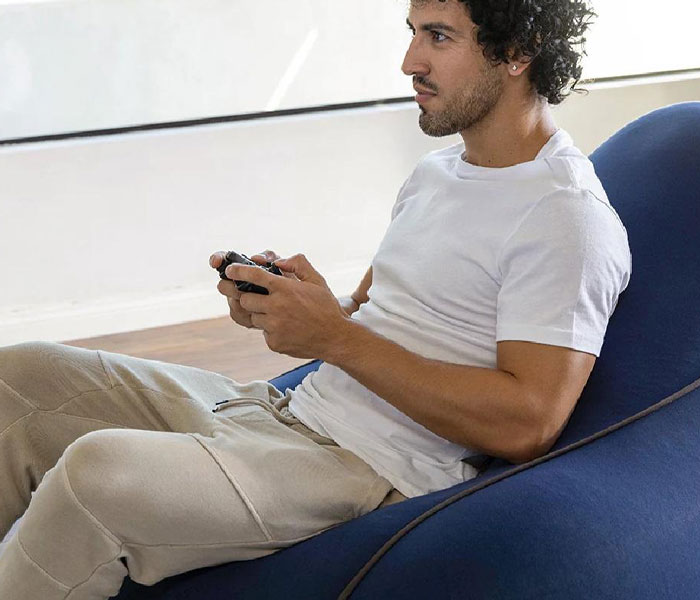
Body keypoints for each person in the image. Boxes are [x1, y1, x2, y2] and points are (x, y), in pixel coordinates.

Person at [0, 0, 631, 597]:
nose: (410, 61)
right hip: (287, 412)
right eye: (412, 32)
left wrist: (333, 335)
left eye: (438, 36)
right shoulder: (436, 175)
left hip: (366, 469)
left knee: (96, 478)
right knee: (19, 376)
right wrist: (300, 307)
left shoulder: (564, 217)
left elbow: (529, 422)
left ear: (518, 51)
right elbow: (371, 318)